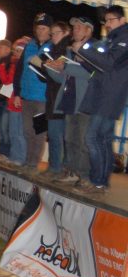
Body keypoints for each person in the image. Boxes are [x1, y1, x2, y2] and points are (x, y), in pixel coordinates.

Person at [73, 5, 128, 194]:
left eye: (111, 20)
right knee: (103, 139)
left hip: (110, 96)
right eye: (106, 21)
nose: (107, 24)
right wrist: (84, 61)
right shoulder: (113, 39)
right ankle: (100, 183)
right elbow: (101, 69)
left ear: (122, 20)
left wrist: (85, 52)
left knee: (92, 137)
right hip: (105, 94)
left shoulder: (124, 38)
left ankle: (97, 181)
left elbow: (109, 63)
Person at [45, 17, 98, 187]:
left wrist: (65, 67)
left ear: (89, 31)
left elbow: (90, 73)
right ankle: (72, 172)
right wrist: (50, 68)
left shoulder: (96, 48)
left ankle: (86, 177)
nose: (75, 30)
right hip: (69, 101)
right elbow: (64, 78)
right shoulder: (70, 51)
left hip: (86, 102)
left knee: (83, 142)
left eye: (79, 28)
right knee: (70, 140)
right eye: (74, 28)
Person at [13, 13, 53, 172]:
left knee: (39, 133)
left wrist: (38, 63)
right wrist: (17, 92)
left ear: (50, 30)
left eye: (44, 28)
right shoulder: (29, 45)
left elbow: (49, 72)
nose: (40, 31)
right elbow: (19, 69)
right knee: (27, 131)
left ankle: (33, 164)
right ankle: (28, 161)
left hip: (43, 98)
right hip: (27, 96)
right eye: (38, 28)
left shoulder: (53, 46)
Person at [39, 21, 71, 179]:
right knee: (54, 135)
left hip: (62, 99)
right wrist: (42, 67)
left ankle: (59, 169)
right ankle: (54, 167)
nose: (52, 36)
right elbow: (49, 78)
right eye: (51, 34)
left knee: (60, 136)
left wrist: (46, 66)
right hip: (52, 98)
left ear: (65, 33)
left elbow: (61, 77)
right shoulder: (52, 50)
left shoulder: (67, 50)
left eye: (56, 33)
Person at [1, 38, 28, 166]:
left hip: (20, 103)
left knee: (18, 133)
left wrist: (0, 66)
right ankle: (13, 157)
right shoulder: (14, 64)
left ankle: (20, 158)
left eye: (19, 50)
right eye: (15, 50)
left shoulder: (22, 66)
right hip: (12, 102)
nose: (16, 53)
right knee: (13, 132)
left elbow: (7, 80)